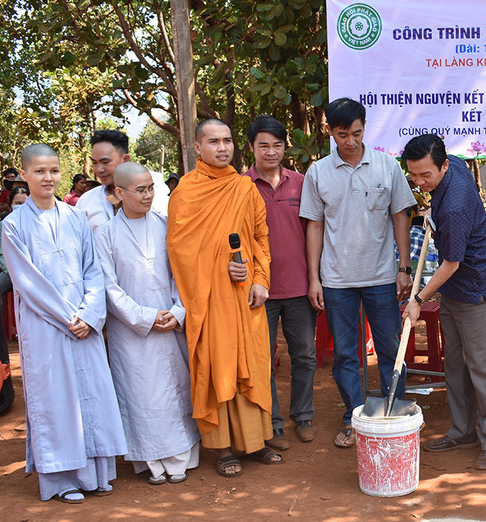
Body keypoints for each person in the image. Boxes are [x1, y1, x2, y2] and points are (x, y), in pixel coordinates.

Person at [1, 143, 126, 503]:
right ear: (23, 174)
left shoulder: (74, 217)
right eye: (39, 171)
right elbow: (27, 282)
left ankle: (96, 475)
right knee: (56, 398)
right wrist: (67, 318)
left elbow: (93, 270)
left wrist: (89, 315)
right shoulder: (13, 226)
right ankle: (62, 480)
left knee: (91, 395)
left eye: (54, 170)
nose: (48, 177)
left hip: (83, 323)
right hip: (46, 326)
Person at [300, 98, 416, 448]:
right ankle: (354, 417)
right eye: (341, 134)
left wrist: (404, 268)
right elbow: (315, 227)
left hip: (381, 277)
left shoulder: (386, 165)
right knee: (346, 353)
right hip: (337, 281)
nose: (350, 141)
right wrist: (314, 278)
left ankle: (394, 415)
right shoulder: (318, 172)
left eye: (356, 133)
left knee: (390, 348)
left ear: (365, 127)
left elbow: (400, 217)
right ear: (330, 132)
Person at [167, 118, 281, 477]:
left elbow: (261, 239)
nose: (222, 148)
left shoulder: (245, 189)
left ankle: (255, 441)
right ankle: (223, 448)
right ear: (197, 148)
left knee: (253, 364)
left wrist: (259, 278)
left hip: (246, 296)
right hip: (210, 300)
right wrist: (221, 270)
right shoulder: (185, 193)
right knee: (218, 365)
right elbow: (179, 253)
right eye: (213, 141)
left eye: (228, 140)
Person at [402, 134, 486, 470]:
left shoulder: (455, 207)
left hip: (476, 292)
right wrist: (430, 204)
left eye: (425, 176)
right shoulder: (455, 167)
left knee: (484, 369)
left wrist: (418, 299)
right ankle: (462, 431)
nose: (419, 182)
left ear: (443, 166)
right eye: (413, 175)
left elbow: (450, 264)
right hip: (453, 291)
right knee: (455, 366)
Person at [95, 162, 201, 485]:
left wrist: (178, 311)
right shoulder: (105, 235)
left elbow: (182, 274)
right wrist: (144, 316)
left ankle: (181, 457)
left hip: (169, 323)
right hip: (132, 332)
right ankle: (152, 462)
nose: (148, 195)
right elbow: (108, 288)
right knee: (141, 393)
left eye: (150, 188)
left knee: (174, 390)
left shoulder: (165, 224)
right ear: (119, 193)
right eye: (140, 190)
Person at [243, 116, 318, 448]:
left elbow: (315, 232)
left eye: (277, 145)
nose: (271, 152)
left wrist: (316, 279)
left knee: (305, 354)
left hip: (300, 286)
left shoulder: (302, 183)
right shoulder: (240, 186)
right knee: (263, 359)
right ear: (251, 148)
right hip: (259, 290)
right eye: (263, 145)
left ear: (285, 146)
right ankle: (272, 423)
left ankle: (302, 416)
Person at [78, 130, 169, 231]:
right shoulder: (86, 202)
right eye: (94, 163)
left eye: (105, 162)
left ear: (125, 159)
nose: (99, 169)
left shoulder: (156, 193)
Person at [0, 187, 30, 296]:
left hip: (34, 270)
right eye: (18, 203)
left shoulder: (38, 222)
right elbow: (2, 253)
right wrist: (12, 272)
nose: (21, 206)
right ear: (11, 204)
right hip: (12, 269)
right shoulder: (4, 224)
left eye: (25, 203)